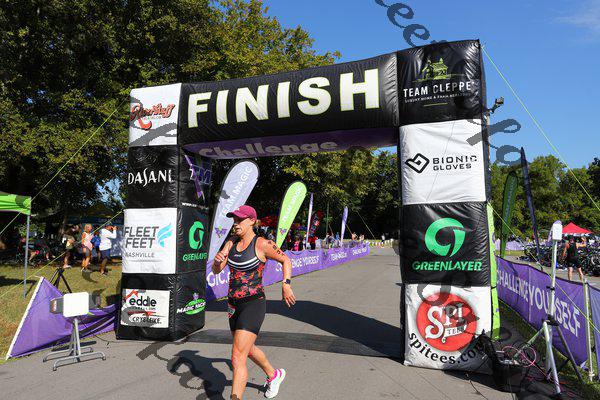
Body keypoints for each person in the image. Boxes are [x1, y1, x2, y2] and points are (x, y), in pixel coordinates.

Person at [213, 205, 295, 400]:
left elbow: (286, 260)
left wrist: (286, 284)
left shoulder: (263, 244)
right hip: (233, 305)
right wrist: (217, 261)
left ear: (251, 221)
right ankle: (274, 375)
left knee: (237, 356)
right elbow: (217, 270)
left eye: (239, 220)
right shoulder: (231, 242)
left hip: (253, 304)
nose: (236, 223)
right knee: (247, 349)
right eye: (234, 220)